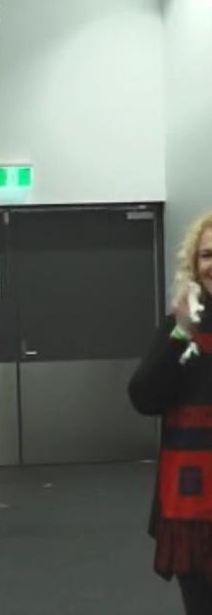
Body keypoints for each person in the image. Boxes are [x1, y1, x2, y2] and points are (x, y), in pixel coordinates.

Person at [130, 210, 212, 614]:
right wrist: (181, 332)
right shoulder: (179, 329)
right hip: (193, 506)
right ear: (195, 265)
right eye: (207, 255)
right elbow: (144, 397)